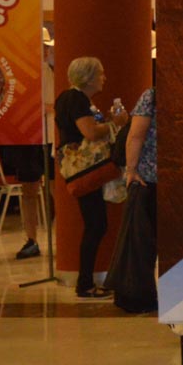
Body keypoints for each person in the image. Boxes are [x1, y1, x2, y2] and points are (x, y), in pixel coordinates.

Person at [53, 56, 127, 298]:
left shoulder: (75, 99)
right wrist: (115, 124)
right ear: (89, 77)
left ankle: (85, 282)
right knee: (96, 224)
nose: (104, 78)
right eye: (100, 73)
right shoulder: (76, 99)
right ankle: (84, 283)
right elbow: (90, 133)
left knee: (96, 224)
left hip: (81, 168)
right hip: (83, 168)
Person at [109, 85, 159, 313]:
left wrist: (131, 170)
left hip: (148, 180)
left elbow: (136, 135)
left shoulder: (152, 95)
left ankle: (138, 296)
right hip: (178, 181)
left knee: (139, 244)